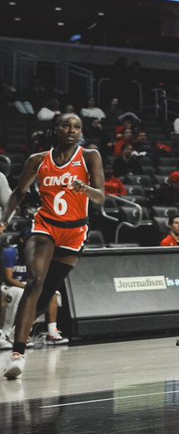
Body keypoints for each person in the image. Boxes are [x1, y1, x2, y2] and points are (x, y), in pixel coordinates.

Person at [1, 113, 104, 377]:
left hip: (75, 231)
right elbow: (19, 193)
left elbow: (101, 197)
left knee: (47, 293)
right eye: (66, 125)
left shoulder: (90, 156)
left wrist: (85, 189)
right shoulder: (37, 160)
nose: (72, 130)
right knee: (35, 282)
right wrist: (4, 220)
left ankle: (20, 328)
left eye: (77, 127)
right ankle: (17, 355)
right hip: (44, 226)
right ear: (56, 128)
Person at [2, 224, 68, 348]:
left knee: (52, 293)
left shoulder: (38, 253)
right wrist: (29, 288)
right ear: (22, 240)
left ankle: (51, 332)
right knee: (20, 293)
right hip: (10, 287)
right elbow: (9, 279)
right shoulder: (11, 252)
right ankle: (10, 333)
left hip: (29, 285)